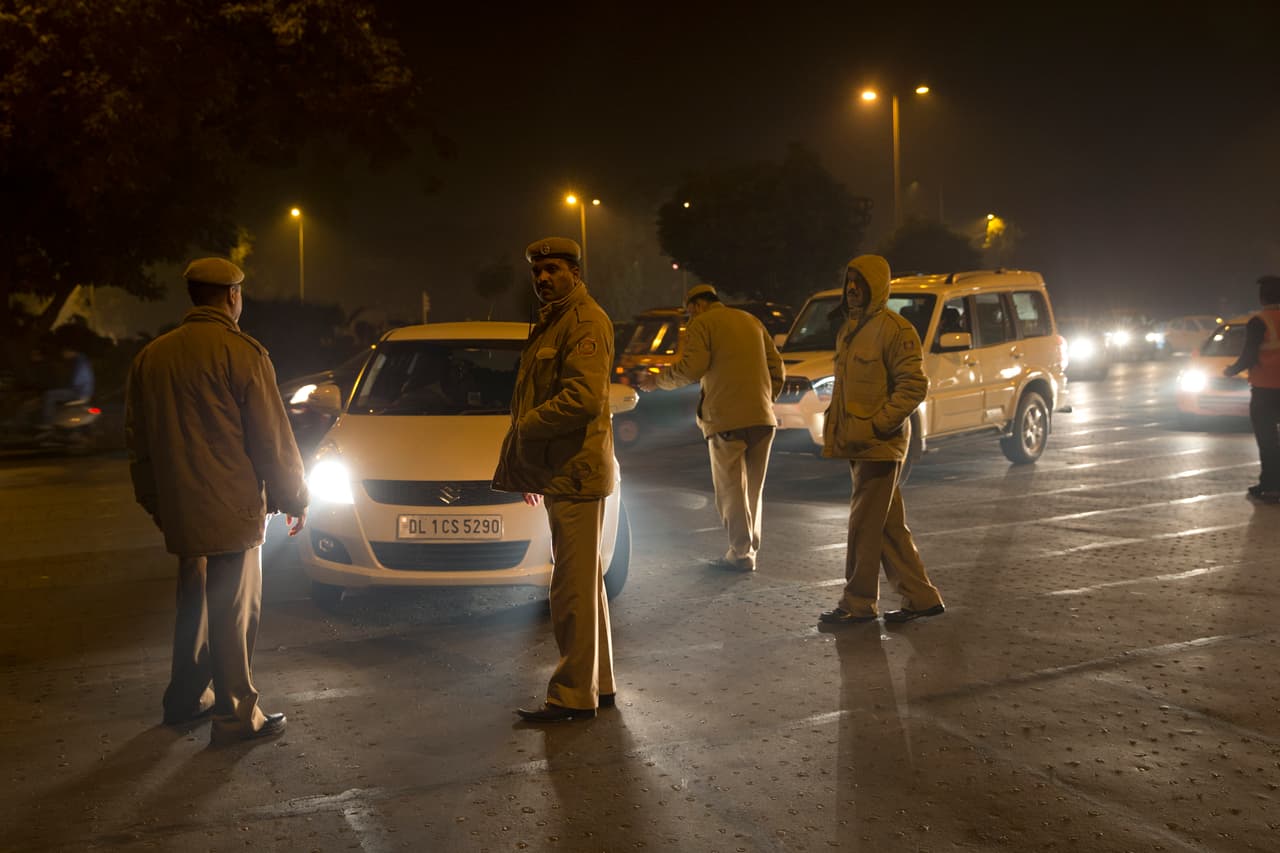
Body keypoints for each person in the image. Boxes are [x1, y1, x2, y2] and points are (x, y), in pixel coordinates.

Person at [125, 257, 309, 745]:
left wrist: (156, 503)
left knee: (194, 606)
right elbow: (272, 440)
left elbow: (137, 444)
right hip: (235, 509)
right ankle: (235, 716)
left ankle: (186, 699)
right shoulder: (243, 352)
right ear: (233, 296)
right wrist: (295, 497)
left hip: (180, 508)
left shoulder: (152, 357)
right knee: (234, 612)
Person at [493, 237, 617, 722]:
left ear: (575, 272)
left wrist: (526, 428)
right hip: (561, 470)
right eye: (537, 271)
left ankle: (571, 696)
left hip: (577, 472)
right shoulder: (555, 321)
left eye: (553, 270)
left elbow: (582, 399)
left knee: (570, 589)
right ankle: (597, 684)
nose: (543, 278)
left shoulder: (584, 321)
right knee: (585, 584)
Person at [818, 254, 945, 625]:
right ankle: (921, 597)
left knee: (862, 526)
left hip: (879, 444)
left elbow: (913, 385)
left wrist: (878, 424)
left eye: (860, 282)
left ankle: (857, 604)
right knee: (886, 526)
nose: (852, 289)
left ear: (878, 286)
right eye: (849, 281)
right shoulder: (851, 330)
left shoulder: (895, 329)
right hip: (860, 442)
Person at [636, 283, 785, 570]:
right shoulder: (751, 321)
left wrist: (658, 381)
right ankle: (749, 548)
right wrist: (766, 398)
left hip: (725, 418)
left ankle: (740, 553)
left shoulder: (702, 323)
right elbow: (776, 366)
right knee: (753, 488)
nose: (690, 317)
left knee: (730, 489)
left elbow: (693, 367)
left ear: (696, 306)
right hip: (762, 418)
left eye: (689, 312)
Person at [1223, 275, 1280, 504]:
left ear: (1262, 297)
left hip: (1265, 390)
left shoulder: (1259, 321)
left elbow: (1249, 355)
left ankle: (1271, 486)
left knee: (1267, 440)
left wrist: (1231, 371)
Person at [41, 346, 95, 425]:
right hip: (83, 391)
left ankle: (47, 423)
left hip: (79, 393)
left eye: (65, 353)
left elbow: (77, 381)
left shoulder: (80, 363)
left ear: (70, 351)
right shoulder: (82, 360)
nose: (64, 355)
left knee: (49, 395)